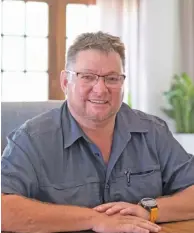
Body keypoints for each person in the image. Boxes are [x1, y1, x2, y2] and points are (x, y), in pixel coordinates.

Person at [1, 31, 194, 233]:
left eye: (112, 78)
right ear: (66, 82)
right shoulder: (31, 139)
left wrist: (149, 210)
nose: (100, 90)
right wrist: (93, 219)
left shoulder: (153, 131)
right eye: (88, 77)